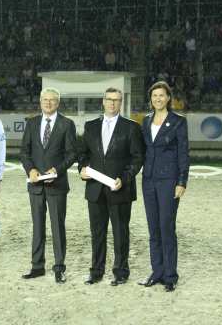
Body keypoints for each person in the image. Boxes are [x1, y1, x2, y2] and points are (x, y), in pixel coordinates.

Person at [79, 87, 144, 286]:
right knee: (97, 233)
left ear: (121, 103)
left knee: (120, 233)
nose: (112, 103)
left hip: (120, 189)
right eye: (109, 99)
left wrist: (124, 178)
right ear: (103, 101)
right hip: (95, 189)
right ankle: (96, 271)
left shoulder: (131, 127)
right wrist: (82, 168)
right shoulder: (90, 127)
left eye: (116, 100)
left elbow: (137, 158)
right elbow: (82, 154)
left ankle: (121, 272)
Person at [20, 87, 77, 284]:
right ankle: (37, 266)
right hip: (35, 184)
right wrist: (31, 170)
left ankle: (59, 267)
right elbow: (24, 152)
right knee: (37, 226)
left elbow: (71, 154)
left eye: (52, 100)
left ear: (58, 103)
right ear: (40, 101)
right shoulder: (32, 123)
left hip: (57, 184)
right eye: (45, 99)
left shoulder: (67, 124)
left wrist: (58, 170)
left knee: (57, 227)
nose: (48, 103)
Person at [139, 80, 189, 292]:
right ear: (151, 99)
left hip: (169, 181)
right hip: (148, 180)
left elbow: (183, 153)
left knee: (166, 228)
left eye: (161, 95)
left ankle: (170, 275)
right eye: (154, 96)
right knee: (153, 230)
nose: (157, 99)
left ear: (168, 98)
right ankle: (157, 272)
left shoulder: (178, 121)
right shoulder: (146, 120)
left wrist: (182, 182)